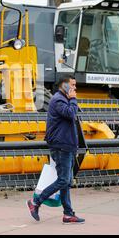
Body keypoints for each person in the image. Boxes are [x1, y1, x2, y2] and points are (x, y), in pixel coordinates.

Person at [26, 76, 85, 224]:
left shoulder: (63, 99)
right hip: (61, 145)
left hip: (67, 145)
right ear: (64, 85)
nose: (75, 88)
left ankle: (68, 214)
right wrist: (73, 99)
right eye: (72, 85)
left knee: (66, 181)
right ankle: (35, 202)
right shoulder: (58, 100)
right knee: (64, 179)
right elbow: (71, 113)